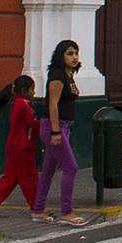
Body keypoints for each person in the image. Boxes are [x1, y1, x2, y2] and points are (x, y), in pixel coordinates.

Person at [33, 39, 86, 225]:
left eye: (76, 53)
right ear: (60, 55)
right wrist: (55, 132)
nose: (74, 57)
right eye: (69, 53)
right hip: (54, 127)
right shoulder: (56, 76)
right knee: (71, 168)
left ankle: (38, 209)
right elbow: (52, 105)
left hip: (64, 127)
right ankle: (66, 211)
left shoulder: (68, 74)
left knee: (48, 170)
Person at [0, 76, 39, 217]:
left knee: (11, 177)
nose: (34, 92)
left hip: (14, 146)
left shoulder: (17, 103)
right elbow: (33, 122)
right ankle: (37, 207)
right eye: (32, 89)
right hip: (23, 147)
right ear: (24, 90)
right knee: (29, 178)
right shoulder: (24, 104)